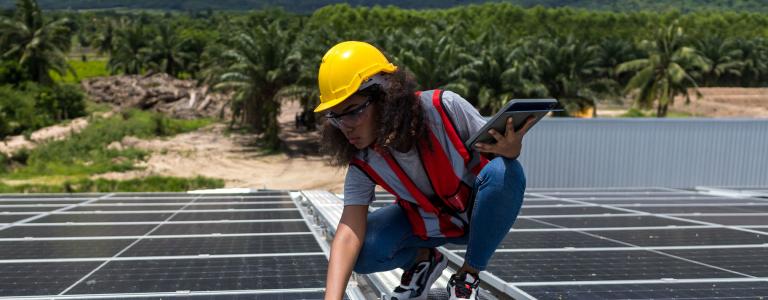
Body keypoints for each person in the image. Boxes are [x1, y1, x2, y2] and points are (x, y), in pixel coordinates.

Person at [316, 41, 531, 300]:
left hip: (477, 218)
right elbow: (348, 232)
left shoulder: (445, 109)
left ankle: (467, 277)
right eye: (336, 117)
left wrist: (511, 150)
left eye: (352, 111)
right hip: (429, 224)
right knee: (362, 252)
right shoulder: (363, 160)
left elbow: (500, 167)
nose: (345, 126)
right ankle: (423, 260)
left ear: (385, 96)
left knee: (505, 171)